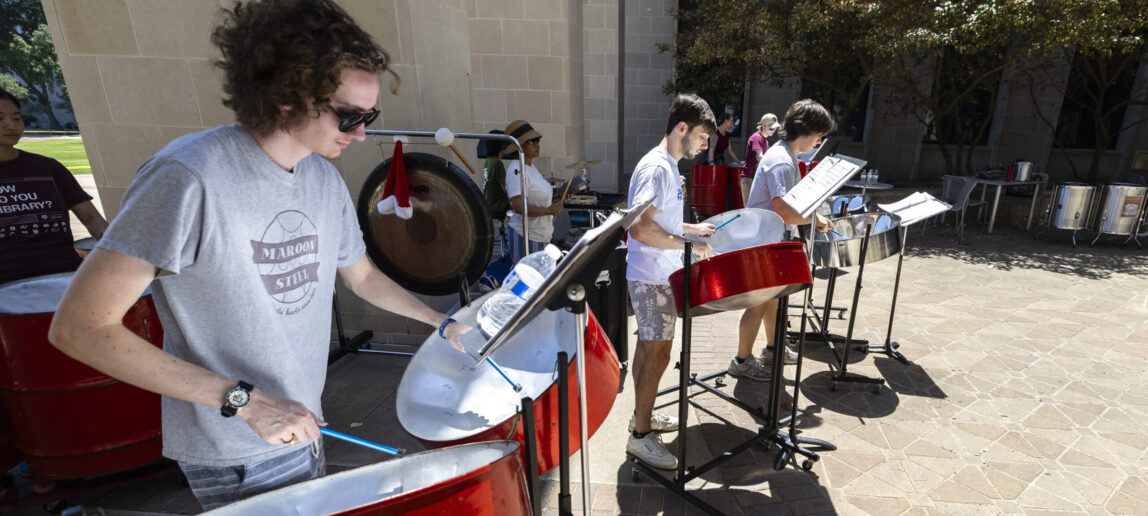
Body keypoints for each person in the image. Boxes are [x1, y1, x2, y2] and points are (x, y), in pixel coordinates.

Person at [47, 0, 469, 509]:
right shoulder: (188, 176)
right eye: (349, 115)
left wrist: (436, 320)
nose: (361, 132)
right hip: (235, 439)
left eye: (369, 116)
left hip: (299, 418)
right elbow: (80, 328)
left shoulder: (323, 179)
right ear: (289, 97)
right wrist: (246, 403)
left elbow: (360, 277)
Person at [624, 94, 717, 470]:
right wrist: (688, 245)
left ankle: (640, 417)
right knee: (658, 354)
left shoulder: (666, 166)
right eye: (701, 136)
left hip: (657, 275)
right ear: (682, 127)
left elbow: (659, 221)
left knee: (650, 352)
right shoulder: (657, 168)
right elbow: (641, 228)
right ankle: (641, 437)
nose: (705, 144)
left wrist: (691, 229)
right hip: (652, 277)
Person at [741, 99, 835, 371]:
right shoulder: (781, 160)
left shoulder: (786, 155)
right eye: (818, 135)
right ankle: (742, 360)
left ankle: (773, 349)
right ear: (805, 130)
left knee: (774, 300)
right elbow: (783, 211)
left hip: (773, 240)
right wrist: (815, 220)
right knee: (758, 303)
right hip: (764, 241)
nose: (819, 141)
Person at [0, 88, 108, 285]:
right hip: (8, 287)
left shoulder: (49, 167)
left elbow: (92, 219)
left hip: (67, 278)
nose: (10, 125)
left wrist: (118, 250)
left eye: (16, 118)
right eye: (0, 118)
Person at [503, 119, 564, 263]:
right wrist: (549, 211)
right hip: (526, 237)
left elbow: (537, 199)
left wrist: (558, 199)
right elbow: (518, 206)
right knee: (526, 282)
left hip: (540, 236)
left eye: (537, 140)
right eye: (531, 141)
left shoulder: (530, 167)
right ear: (519, 146)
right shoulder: (516, 170)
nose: (537, 144)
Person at [480, 129, 511, 257]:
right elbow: (505, 189)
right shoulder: (498, 164)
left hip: (487, 202)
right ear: (501, 145)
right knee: (522, 208)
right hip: (497, 204)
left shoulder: (488, 160)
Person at [739, 113, 779, 207]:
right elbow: (760, 157)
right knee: (750, 210)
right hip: (749, 178)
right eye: (771, 128)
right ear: (764, 126)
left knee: (756, 210)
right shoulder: (757, 137)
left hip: (755, 178)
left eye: (775, 128)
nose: (773, 130)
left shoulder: (765, 140)